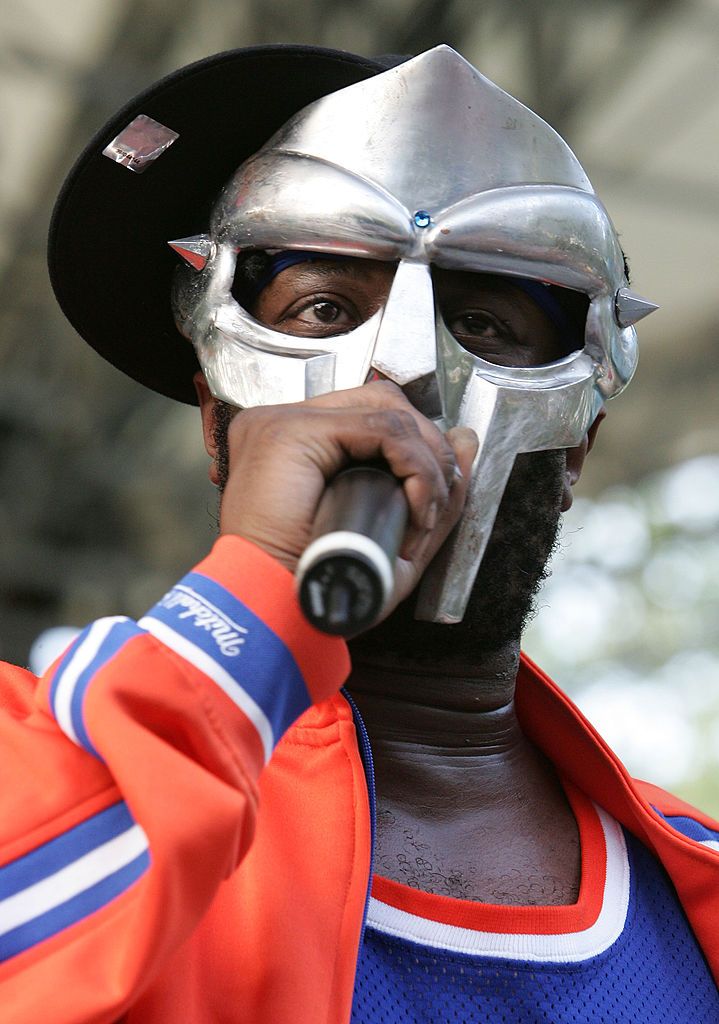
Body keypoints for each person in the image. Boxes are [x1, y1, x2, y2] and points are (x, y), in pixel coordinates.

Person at [1, 42, 718, 1023]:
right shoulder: (33, 761)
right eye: (325, 307)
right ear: (218, 421)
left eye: (486, 321)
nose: (405, 376)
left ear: (579, 443)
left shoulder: (695, 893)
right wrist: (247, 605)